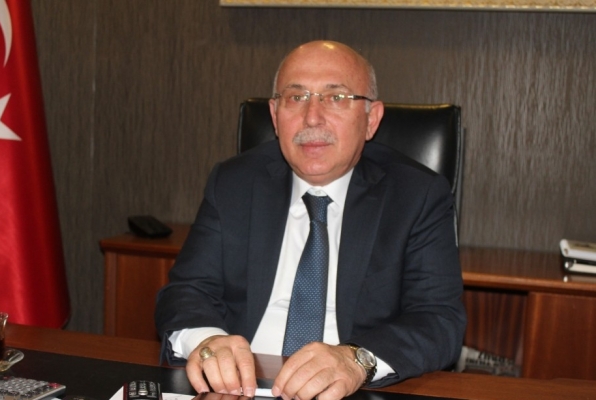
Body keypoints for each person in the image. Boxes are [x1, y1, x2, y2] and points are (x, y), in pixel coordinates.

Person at [155, 40, 466, 400]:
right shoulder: (234, 182)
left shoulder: (416, 195)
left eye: (336, 98)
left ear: (371, 119)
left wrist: (356, 360)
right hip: (238, 387)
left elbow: (438, 320)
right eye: (296, 97)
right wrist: (209, 342)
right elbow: (186, 291)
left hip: (349, 390)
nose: (312, 117)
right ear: (275, 116)